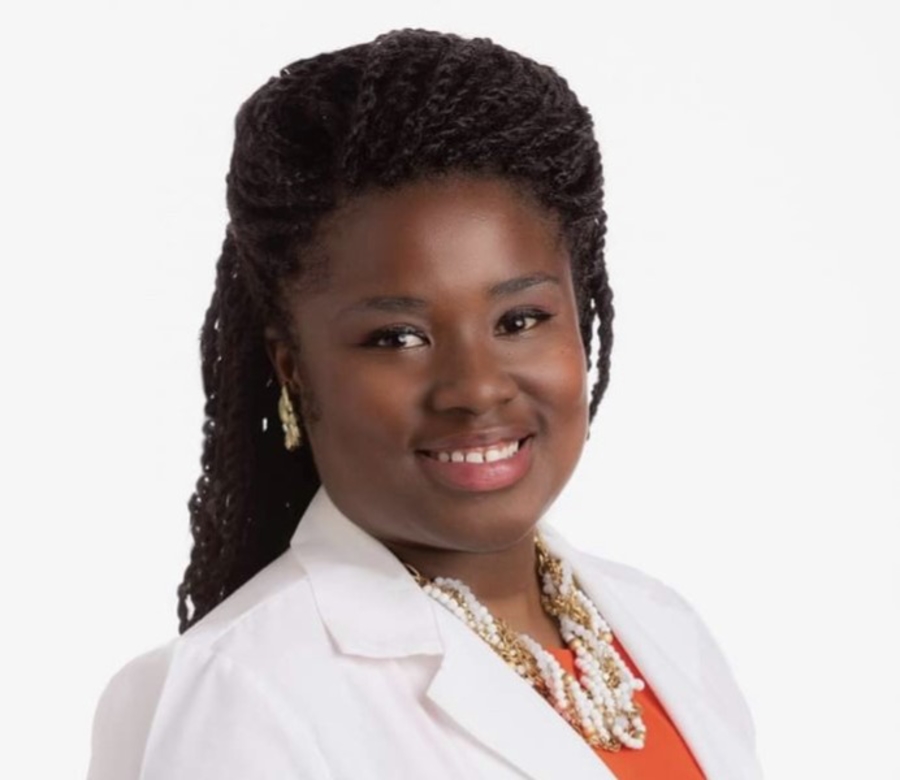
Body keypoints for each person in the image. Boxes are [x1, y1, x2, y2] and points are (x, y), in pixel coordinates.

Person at [87, 29, 762, 780]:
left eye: (520, 320)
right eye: (397, 337)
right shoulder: (250, 694)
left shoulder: (664, 630)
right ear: (294, 368)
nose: (476, 387)